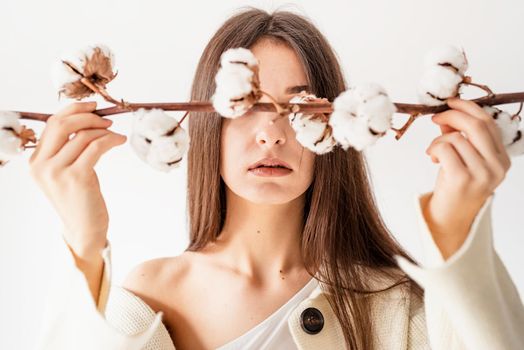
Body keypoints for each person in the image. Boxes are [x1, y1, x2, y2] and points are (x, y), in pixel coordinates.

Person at [31, 7, 523, 350]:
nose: (270, 133)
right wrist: (83, 239)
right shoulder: (148, 298)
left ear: (334, 127)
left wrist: (458, 226)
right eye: (246, 105)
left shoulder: (395, 303)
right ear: (208, 122)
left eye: (298, 106)